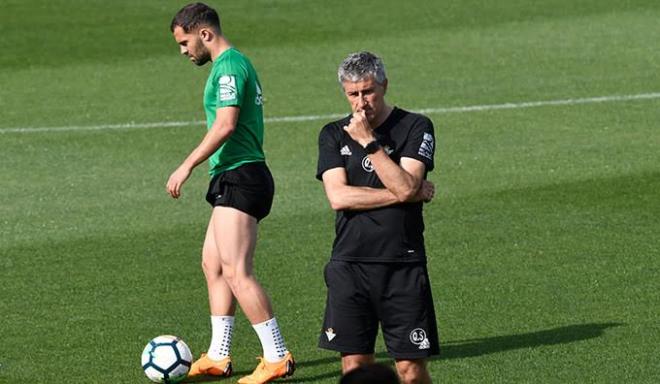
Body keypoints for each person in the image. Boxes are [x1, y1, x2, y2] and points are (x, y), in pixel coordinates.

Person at [167, 3, 294, 383]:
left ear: (205, 34)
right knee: (213, 264)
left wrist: (186, 165)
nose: (184, 51)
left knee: (238, 271)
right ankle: (219, 355)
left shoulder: (230, 67)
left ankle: (277, 356)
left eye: (185, 42)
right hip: (230, 176)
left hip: (243, 176)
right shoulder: (229, 67)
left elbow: (225, 125)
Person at [316, 51, 440, 384]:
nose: (361, 103)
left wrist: (370, 143)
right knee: (355, 369)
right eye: (353, 94)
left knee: (410, 370)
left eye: (368, 91)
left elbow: (404, 185)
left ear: (384, 85)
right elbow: (338, 196)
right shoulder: (332, 134)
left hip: (402, 264)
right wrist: (407, 192)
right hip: (350, 265)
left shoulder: (415, 126)